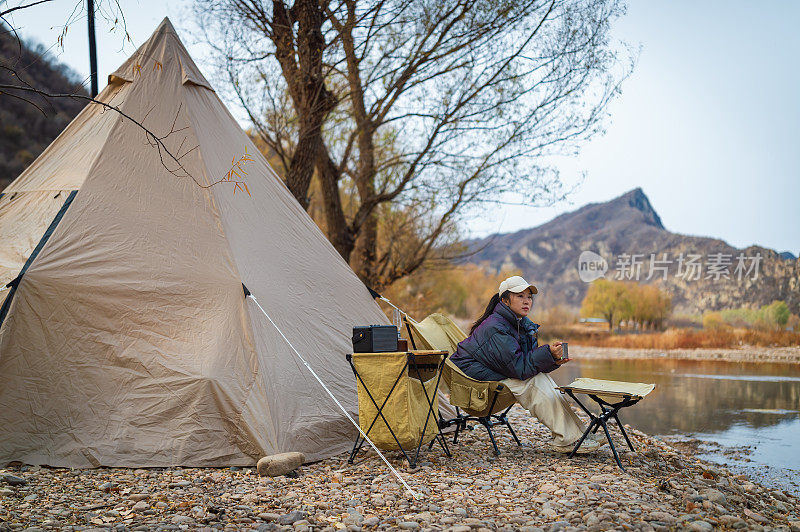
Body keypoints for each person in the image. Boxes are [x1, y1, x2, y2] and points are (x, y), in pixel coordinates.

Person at [450, 275, 600, 454]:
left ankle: (578, 433)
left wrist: (552, 359)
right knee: (532, 382)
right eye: (520, 296)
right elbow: (520, 368)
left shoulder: (519, 324)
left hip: (493, 372)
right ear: (505, 300)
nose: (526, 301)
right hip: (473, 381)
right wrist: (547, 354)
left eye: (529, 297)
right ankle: (566, 440)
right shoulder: (496, 327)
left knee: (540, 377)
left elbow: (526, 362)